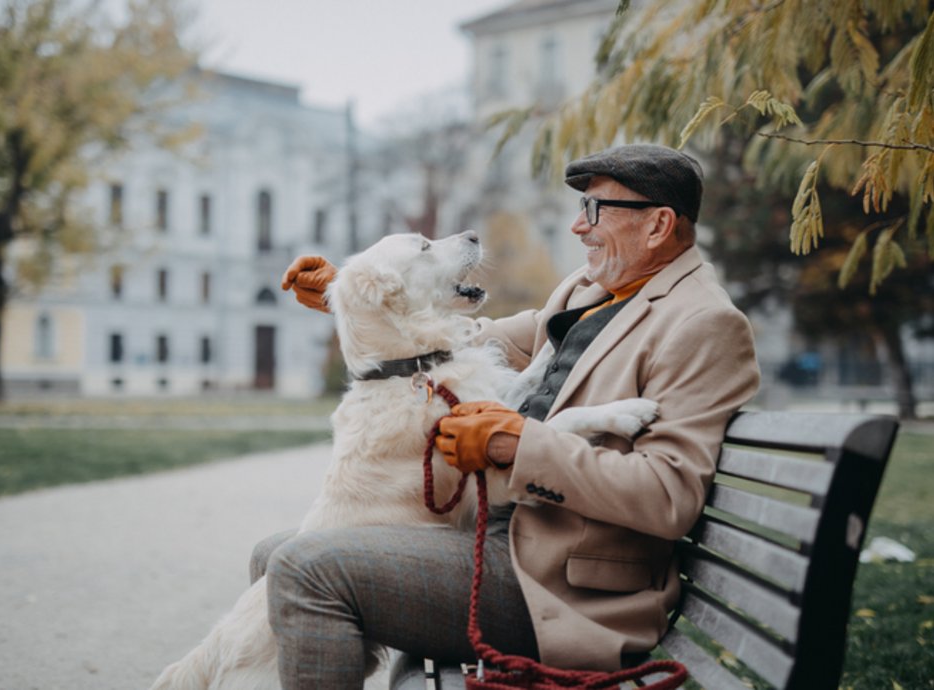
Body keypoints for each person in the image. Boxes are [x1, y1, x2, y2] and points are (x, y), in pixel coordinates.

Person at [255, 143, 761, 688]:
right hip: (500, 536)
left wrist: (518, 445)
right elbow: (472, 339)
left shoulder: (703, 323)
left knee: (305, 568)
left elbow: (668, 497)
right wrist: (359, 296)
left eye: (593, 211)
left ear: (659, 224)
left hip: (558, 585)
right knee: (275, 553)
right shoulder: (592, 290)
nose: (576, 227)